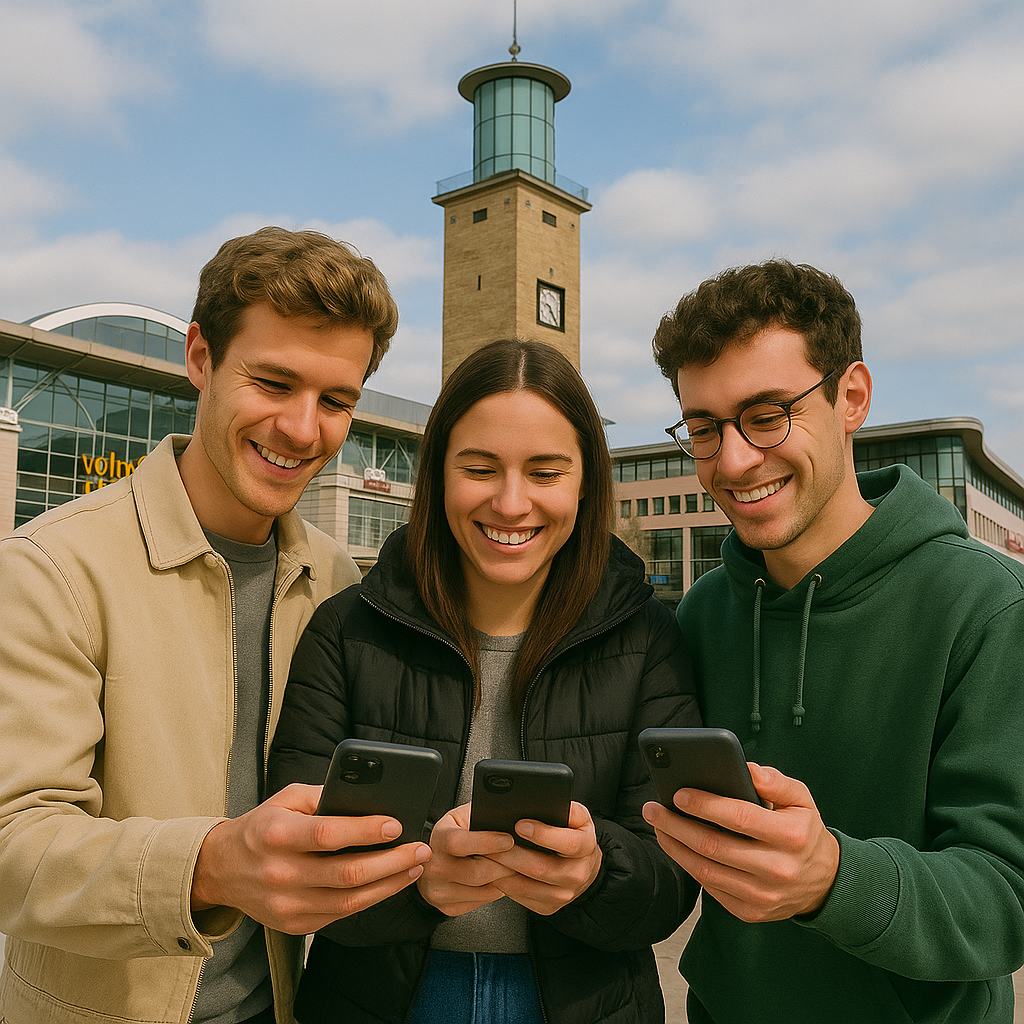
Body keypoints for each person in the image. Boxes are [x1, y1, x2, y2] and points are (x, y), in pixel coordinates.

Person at [0, 227, 432, 1024]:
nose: (304, 430)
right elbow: (13, 846)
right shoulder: (49, 570)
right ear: (199, 357)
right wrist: (211, 865)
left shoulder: (337, 578)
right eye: (272, 382)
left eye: (336, 401)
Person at [268, 338, 700, 1024]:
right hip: (381, 1001)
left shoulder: (648, 639)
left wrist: (595, 871)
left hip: (585, 1002)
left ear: (586, 481)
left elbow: (672, 883)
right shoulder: (346, 631)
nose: (510, 501)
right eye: (479, 467)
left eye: (545, 471)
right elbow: (294, 867)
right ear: (438, 473)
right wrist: (422, 886)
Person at [645, 259, 1024, 1023]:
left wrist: (831, 878)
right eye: (704, 428)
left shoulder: (986, 607)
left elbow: (1007, 898)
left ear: (852, 397)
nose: (734, 459)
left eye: (767, 413)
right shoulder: (701, 615)